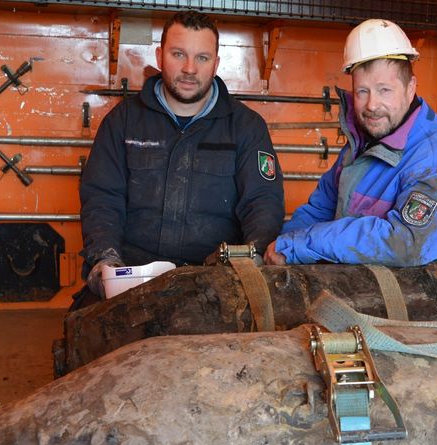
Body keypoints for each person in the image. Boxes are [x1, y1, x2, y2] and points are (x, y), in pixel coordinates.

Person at [76, 10, 285, 307]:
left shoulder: (246, 127)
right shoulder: (122, 122)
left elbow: (262, 201)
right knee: (90, 339)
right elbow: (102, 197)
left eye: (202, 58)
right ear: (160, 56)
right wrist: (105, 258)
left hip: (217, 278)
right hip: (133, 274)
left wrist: (254, 260)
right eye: (178, 54)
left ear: (216, 64)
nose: (190, 68)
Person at [264, 19, 437, 268]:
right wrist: (280, 244)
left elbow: (405, 244)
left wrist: (303, 245)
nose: (372, 105)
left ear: (410, 88)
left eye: (384, 90)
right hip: (381, 279)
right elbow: (321, 210)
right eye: (363, 91)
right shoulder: (361, 144)